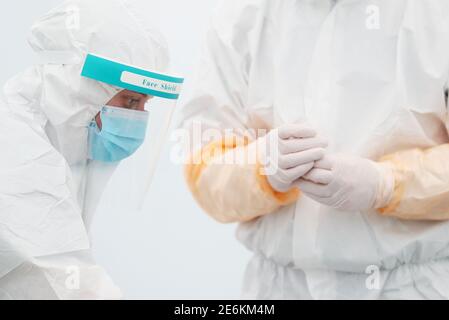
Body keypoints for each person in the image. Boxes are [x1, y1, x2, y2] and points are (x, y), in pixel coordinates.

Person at [180, 0, 449, 299]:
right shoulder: (241, 17)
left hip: (414, 288)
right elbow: (203, 165)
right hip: (277, 289)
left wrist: (387, 183)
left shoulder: (435, 14)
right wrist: (260, 168)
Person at [0, 0, 171, 299]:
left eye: (146, 104)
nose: (139, 116)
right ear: (78, 86)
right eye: (131, 101)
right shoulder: (14, 147)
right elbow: (62, 280)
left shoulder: (60, 146)